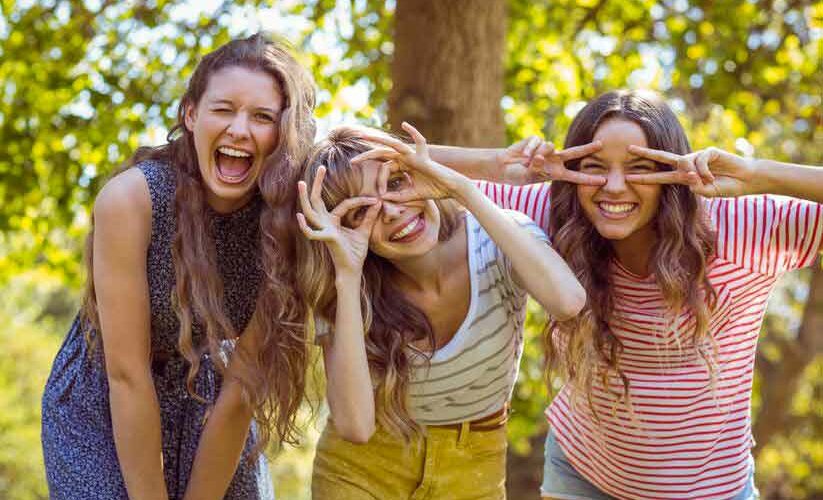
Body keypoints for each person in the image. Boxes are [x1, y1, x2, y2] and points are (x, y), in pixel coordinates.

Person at [469, 89, 822, 499]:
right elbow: (402, 170)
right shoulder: (557, 215)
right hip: (581, 475)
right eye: (594, 167)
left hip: (710, 489)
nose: (614, 187)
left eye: (639, 168)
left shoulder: (742, 226)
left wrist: (758, 173)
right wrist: (493, 164)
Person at [41, 33, 316, 500]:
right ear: (191, 115)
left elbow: (241, 390)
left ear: (283, 134)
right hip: (104, 398)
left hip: (206, 394)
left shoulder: (286, 225)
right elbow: (127, 374)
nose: (239, 130)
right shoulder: (133, 199)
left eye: (263, 116)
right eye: (223, 109)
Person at [295, 122, 586, 499]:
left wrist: (461, 187)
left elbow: (568, 303)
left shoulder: (495, 238)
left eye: (397, 183)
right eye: (361, 211)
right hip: (363, 470)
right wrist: (347, 277)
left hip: (473, 464)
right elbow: (356, 427)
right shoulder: (347, 285)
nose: (392, 212)